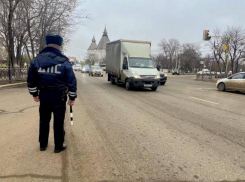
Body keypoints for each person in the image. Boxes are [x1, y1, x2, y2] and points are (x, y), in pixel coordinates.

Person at [27, 34, 77, 153]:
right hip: (59, 96)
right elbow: (71, 80)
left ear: (47, 44)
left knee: (44, 119)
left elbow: (31, 79)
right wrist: (72, 97)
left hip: (44, 95)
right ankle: (58, 146)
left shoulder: (37, 60)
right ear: (59, 47)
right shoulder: (64, 61)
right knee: (58, 120)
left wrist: (34, 94)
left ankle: (43, 145)